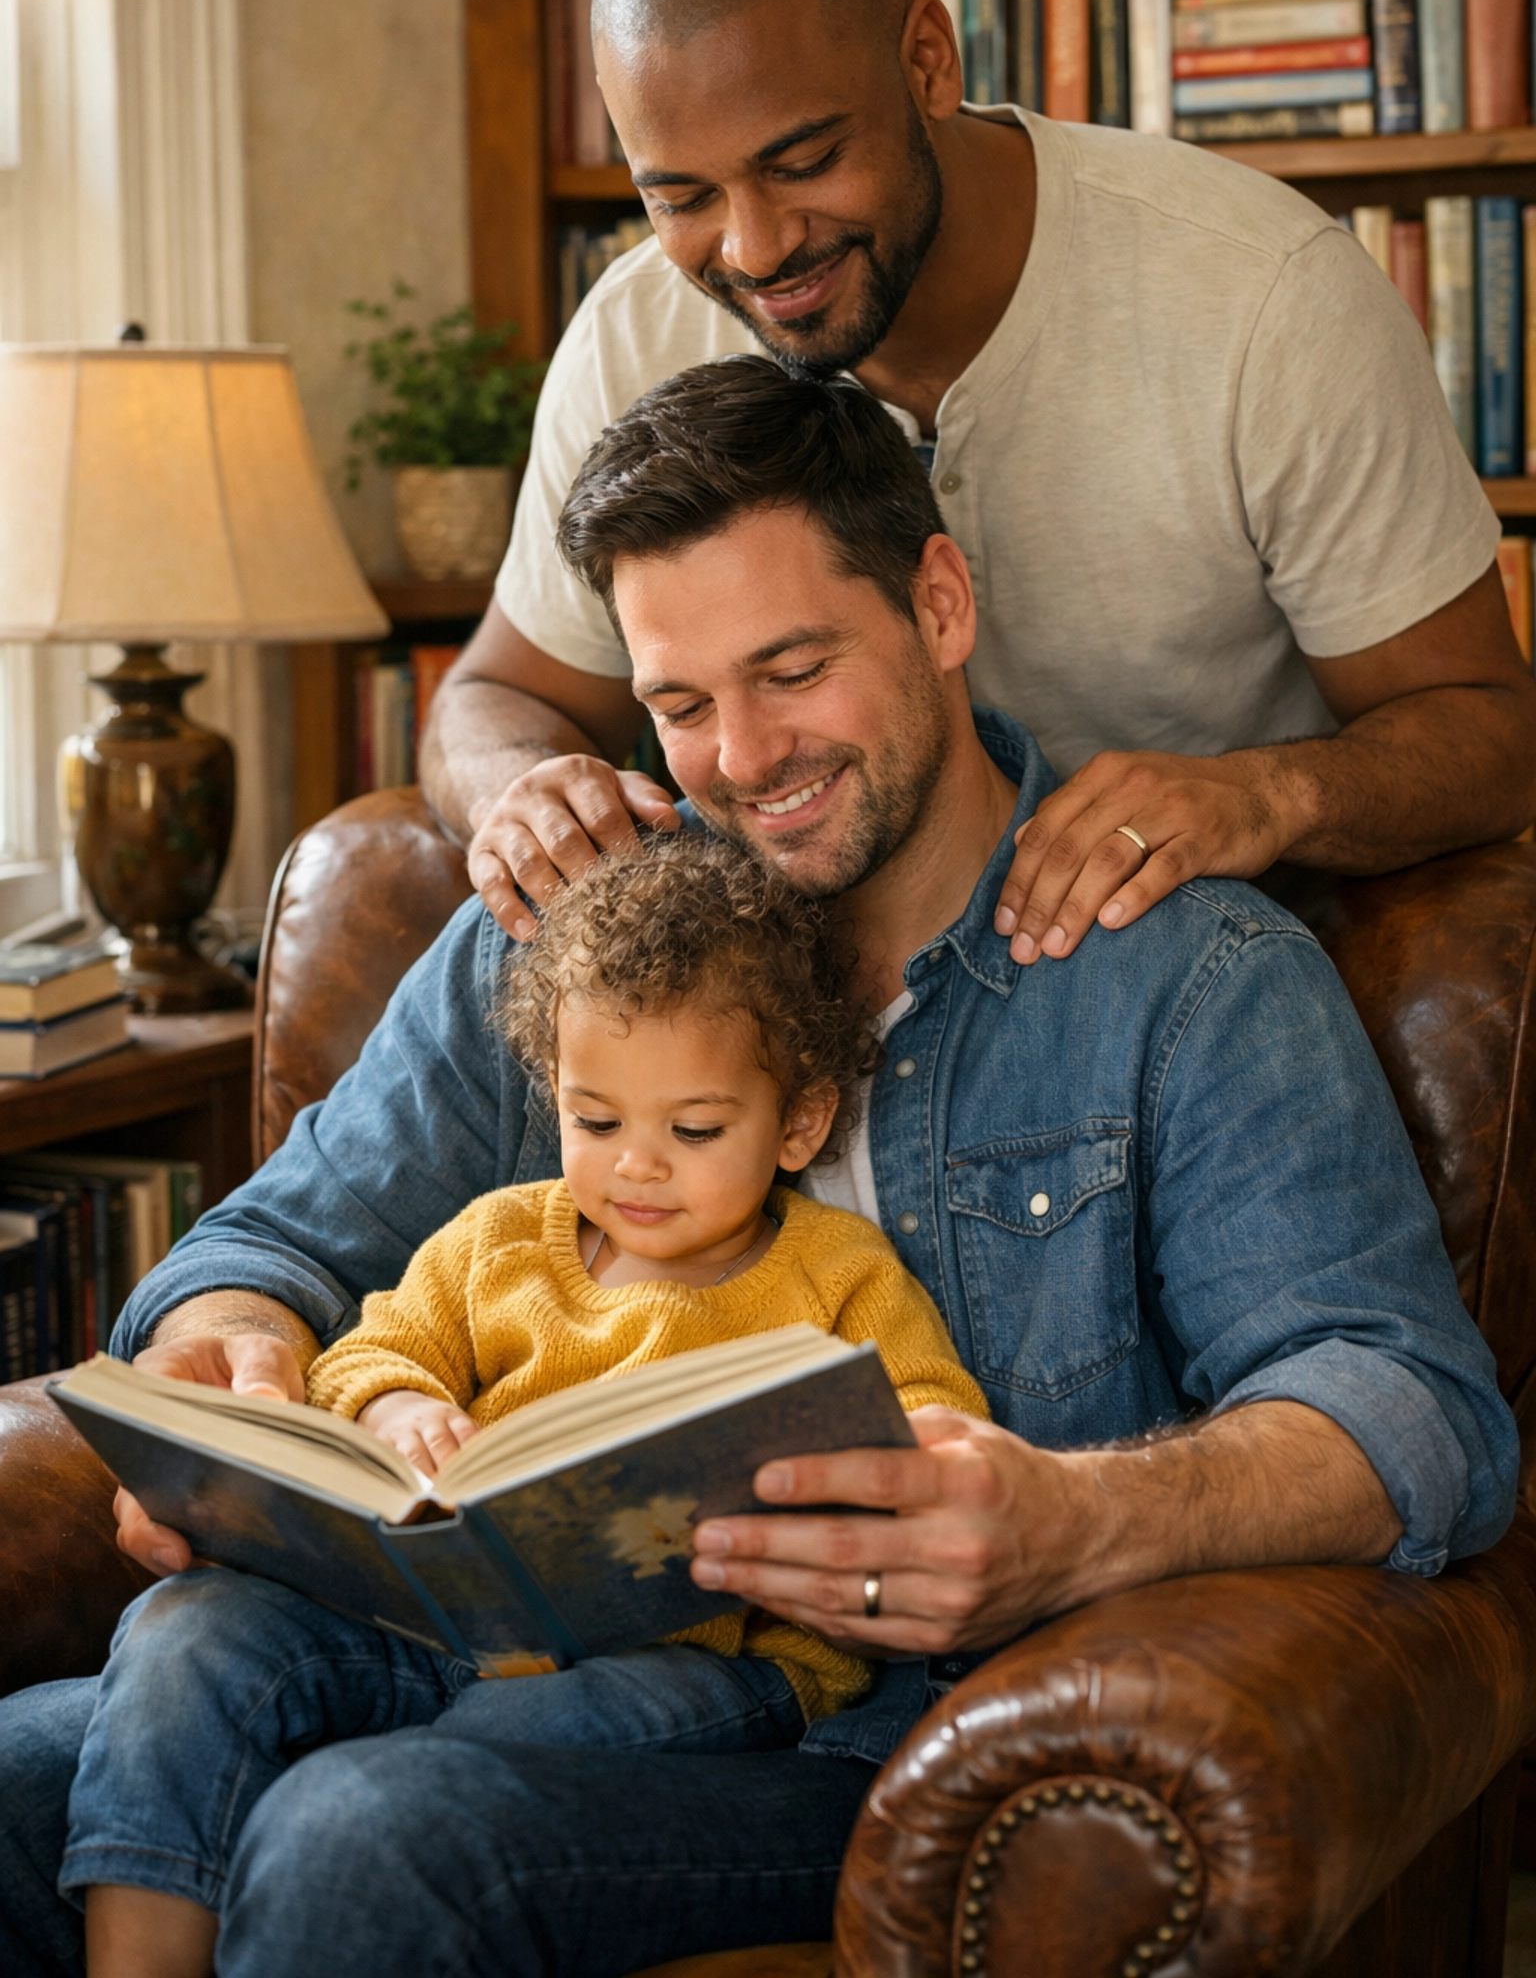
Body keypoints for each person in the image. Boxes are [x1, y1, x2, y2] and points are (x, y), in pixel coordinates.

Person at [0, 360, 1516, 1978]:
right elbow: (271, 1243)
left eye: (793, 668)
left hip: (862, 1729)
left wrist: (1074, 1516)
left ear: (938, 601)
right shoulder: (579, 922)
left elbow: (1411, 1409)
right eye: (678, 701)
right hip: (456, 1652)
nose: (740, 754)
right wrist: (227, 1367)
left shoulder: (1185, 968)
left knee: (364, 1833)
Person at [418, 0, 1536, 970]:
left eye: (804, 161)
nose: (755, 249)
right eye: (683, 197)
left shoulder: (1263, 300)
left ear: (927, 62)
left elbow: (1494, 731)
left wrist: (1267, 794)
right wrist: (524, 794)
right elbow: (494, 697)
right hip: (798, 1017)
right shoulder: (633, 333)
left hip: (1177, 990)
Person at [66, 834, 985, 1978]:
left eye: (693, 1131)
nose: (637, 1167)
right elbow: (365, 1358)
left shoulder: (841, 1276)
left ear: (797, 1122)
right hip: (443, 1628)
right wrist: (398, 1407)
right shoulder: (497, 1242)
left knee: (497, 1749)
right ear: (551, 1084)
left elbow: (935, 1439)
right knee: (184, 1631)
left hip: (707, 1667)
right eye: (595, 1121)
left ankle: (335, 1829)